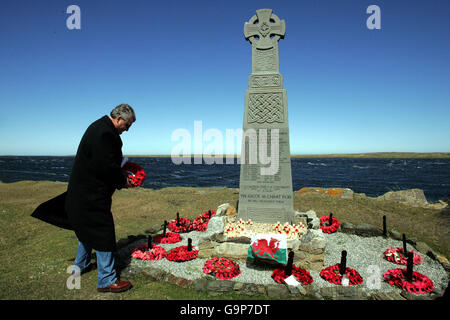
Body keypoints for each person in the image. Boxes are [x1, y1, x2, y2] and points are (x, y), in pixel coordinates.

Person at [65, 103, 136, 293]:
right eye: (127, 125)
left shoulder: (98, 127)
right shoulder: (105, 134)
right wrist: (124, 180)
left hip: (83, 192)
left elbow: (106, 163)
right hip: (91, 195)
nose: (127, 129)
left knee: (87, 228)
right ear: (119, 118)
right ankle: (106, 279)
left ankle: (81, 265)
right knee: (103, 231)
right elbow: (106, 167)